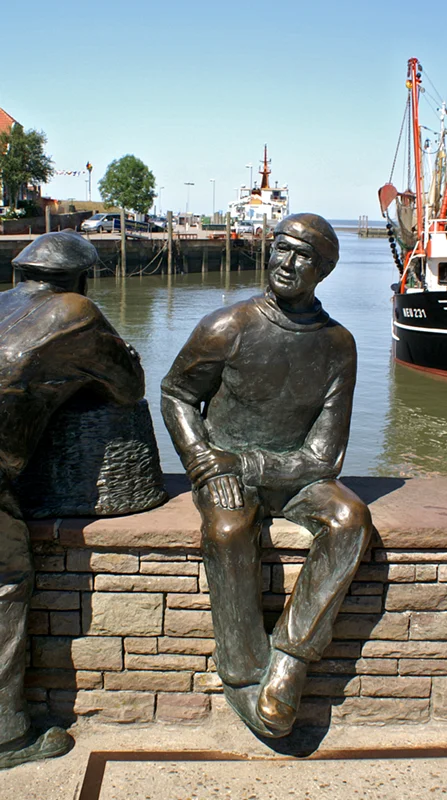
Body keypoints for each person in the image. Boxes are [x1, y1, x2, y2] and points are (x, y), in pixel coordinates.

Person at [161, 213, 371, 738]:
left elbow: (325, 454)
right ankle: (241, 670)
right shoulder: (227, 325)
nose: (287, 262)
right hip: (226, 467)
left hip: (293, 472)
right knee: (229, 531)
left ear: (323, 270)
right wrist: (203, 461)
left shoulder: (337, 344)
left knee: (351, 518)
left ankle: (288, 663)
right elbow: (177, 394)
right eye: (282, 248)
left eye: (304, 256)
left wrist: (253, 464)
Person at [0, 231, 144, 770]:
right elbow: (128, 386)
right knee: (6, 583)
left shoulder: (0, 303)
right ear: (79, 278)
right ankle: (8, 737)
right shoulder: (75, 313)